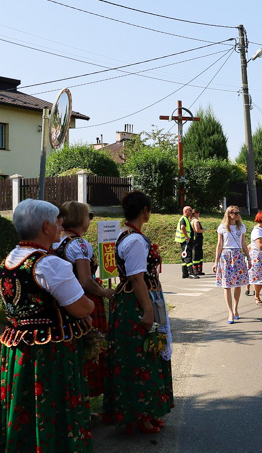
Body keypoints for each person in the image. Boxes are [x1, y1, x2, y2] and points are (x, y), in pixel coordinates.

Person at [1, 199, 95, 452]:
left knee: (23, 404)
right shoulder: (49, 264)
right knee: (52, 405)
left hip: (18, 351)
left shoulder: (9, 259)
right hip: (50, 353)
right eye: (57, 221)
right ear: (46, 227)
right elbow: (81, 307)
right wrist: (91, 308)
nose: (60, 225)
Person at [104, 191, 174, 435]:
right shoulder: (133, 240)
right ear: (145, 210)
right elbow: (136, 277)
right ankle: (138, 416)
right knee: (140, 356)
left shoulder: (130, 235)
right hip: (135, 302)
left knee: (148, 354)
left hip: (135, 300)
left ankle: (147, 412)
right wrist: (147, 310)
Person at [53, 201, 115, 400]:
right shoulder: (79, 244)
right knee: (90, 348)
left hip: (62, 301)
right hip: (84, 300)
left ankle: (74, 398)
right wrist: (104, 292)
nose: (90, 219)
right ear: (81, 219)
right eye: (89, 215)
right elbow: (85, 280)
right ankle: (85, 399)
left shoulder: (56, 242)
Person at [213, 206, 250, 324]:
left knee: (238, 284)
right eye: (235, 213)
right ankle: (230, 312)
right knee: (227, 285)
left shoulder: (241, 227)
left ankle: (235, 308)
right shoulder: (222, 227)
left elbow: (244, 244)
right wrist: (215, 262)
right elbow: (219, 245)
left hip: (238, 255)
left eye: (238, 213)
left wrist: (248, 257)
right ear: (229, 214)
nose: (237, 215)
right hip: (226, 256)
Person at [175, 205, 197, 279]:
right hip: (185, 241)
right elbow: (182, 227)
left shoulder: (186, 219)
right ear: (186, 211)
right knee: (187, 256)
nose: (191, 212)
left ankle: (185, 273)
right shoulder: (183, 219)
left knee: (184, 257)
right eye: (190, 210)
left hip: (185, 241)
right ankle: (191, 273)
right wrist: (186, 236)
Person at [191, 209, 205, 276]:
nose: (199, 214)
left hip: (195, 239)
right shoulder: (195, 221)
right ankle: (197, 270)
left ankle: (197, 269)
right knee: (198, 253)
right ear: (196, 213)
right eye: (198, 213)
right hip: (197, 239)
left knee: (197, 253)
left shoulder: (191, 220)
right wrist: (203, 230)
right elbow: (197, 230)